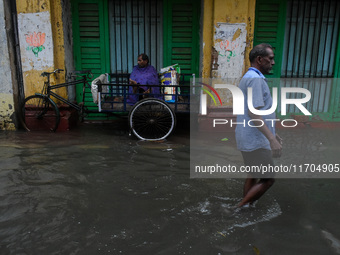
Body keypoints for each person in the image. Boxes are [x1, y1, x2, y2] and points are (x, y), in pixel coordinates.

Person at [235, 43, 282, 207]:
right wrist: (271, 139)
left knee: (253, 174)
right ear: (260, 59)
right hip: (255, 141)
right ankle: (238, 208)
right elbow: (254, 113)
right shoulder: (255, 80)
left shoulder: (249, 77)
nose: (273, 62)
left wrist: (272, 133)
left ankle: (246, 206)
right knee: (268, 178)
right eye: (270, 59)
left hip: (248, 137)